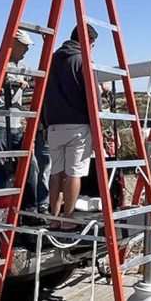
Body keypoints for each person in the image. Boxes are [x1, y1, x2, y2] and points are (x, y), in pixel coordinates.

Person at [43, 24, 98, 230]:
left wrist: (44, 123)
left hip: (54, 125)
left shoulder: (53, 60)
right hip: (77, 125)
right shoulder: (83, 60)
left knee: (56, 173)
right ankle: (68, 218)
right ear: (88, 42)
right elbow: (92, 97)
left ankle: (54, 218)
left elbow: (44, 94)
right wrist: (98, 126)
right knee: (74, 173)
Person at [0, 29, 34, 169]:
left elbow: (33, 80)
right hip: (0, 124)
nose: (26, 49)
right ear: (14, 44)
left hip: (16, 124)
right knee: (0, 166)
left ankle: (28, 190)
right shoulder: (0, 62)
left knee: (29, 164)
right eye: (23, 45)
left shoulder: (22, 67)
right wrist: (8, 81)